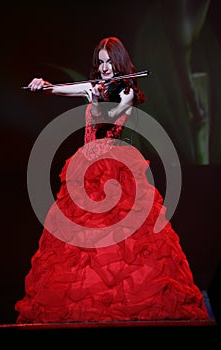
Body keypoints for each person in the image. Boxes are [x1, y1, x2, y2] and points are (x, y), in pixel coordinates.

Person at [15, 36, 209, 323]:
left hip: (115, 170)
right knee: (79, 242)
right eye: (101, 62)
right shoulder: (95, 87)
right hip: (86, 170)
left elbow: (112, 116)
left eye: (109, 62)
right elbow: (57, 90)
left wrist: (96, 99)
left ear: (119, 63)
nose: (105, 68)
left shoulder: (126, 91)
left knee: (125, 243)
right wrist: (43, 84)